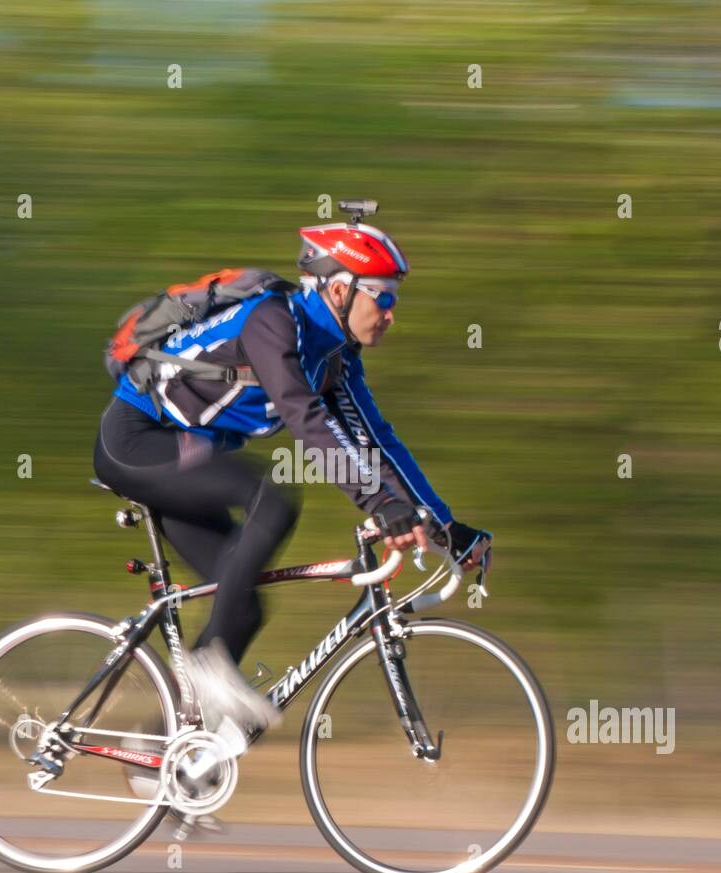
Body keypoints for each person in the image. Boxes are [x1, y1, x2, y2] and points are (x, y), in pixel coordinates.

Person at [93, 213, 491, 757]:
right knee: (272, 498)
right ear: (338, 288)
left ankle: (173, 759)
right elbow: (306, 420)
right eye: (385, 297)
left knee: (244, 607)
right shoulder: (272, 323)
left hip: (189, 461)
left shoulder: (334, 359)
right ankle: (211, 662)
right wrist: (380, 504)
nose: (392, 314)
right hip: (137, 442)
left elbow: (378, 442)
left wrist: (444, 527)